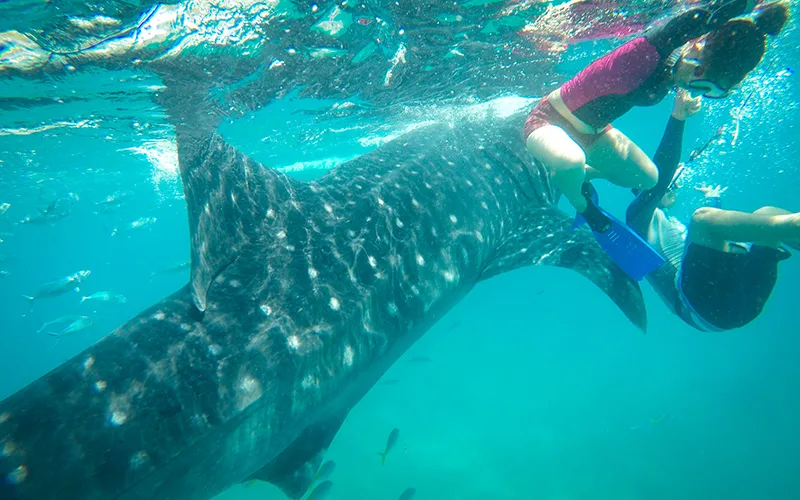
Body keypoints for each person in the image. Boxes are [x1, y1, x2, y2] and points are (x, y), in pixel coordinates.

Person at [524, 0, 790, 235]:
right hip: (549, 120)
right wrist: (739, 5)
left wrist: (681, 108)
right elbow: (699, 19)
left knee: (648, 179)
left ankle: (578, 173)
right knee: (570, 161)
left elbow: (668, 79)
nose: (695, 91)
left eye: (712, 92)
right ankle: (581, 201)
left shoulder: (678, 69)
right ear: (697, 48)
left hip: (594, 134)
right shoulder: (650, 50)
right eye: (700, 83)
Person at [625, 90, 799, 331]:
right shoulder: (637, 219)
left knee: (767, 214)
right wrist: (678, 116)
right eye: (671, 183)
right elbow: (662, 175)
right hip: (703, 307)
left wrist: (713, 198)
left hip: (739, 294)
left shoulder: (664, 221)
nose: (676, 185)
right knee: (703, 220)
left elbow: (710, 248)